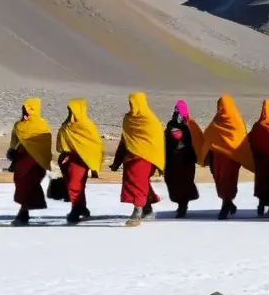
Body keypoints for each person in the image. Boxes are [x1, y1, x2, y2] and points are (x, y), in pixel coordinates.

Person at [110, 92, 165, 227]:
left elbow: (157, 142)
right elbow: (125, 140)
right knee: (138, 182)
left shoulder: (150, 121)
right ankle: (147, 209)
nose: (131, 106)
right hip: (130, 157)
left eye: (134, 103)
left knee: (137, 183)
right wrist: (117, 161)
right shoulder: (128, 119)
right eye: (130, 103)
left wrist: (161, 164)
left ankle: (137, 211)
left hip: (146, 157)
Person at [198, 94, 255, 220]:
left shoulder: (222, 121)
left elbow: (208, 136)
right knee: (223, 180)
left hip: (228, 159)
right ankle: (228, 203)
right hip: (223, 158)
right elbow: (210, 136)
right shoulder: (235, 121)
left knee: (226, 180)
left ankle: (226, 205)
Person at [55, 98, 102, 225]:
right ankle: (82, 208)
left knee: (74, 185)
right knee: (75, 185)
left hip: (81, 160)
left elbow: (94, 146)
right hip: (68, 160)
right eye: (69, 110)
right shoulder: (66, 125)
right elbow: (61, 143)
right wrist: (65, 153)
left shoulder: (87, 126)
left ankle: (76, 210)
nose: (70, 113)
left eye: (73, 110)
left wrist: (93, 164)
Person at [8, 98, 52, 226]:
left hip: (36, 161)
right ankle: (24, 211)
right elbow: (13, 142)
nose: (24, 112)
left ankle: (23, 213)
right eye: (23, 109)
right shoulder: (18, 125)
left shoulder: (42, 125)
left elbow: (45, 143)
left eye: (26, 109)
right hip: (22, 158)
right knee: (20, 181)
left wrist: (45, 159)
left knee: (29, 184)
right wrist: (12, 152)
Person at [164, 100, 201, 218]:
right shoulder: (184, 125)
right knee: (180, 182)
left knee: (181, 183)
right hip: (179, 160)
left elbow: (194, 142)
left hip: (181, 160)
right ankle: (182, 206)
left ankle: (182, 207)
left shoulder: (188, 125)